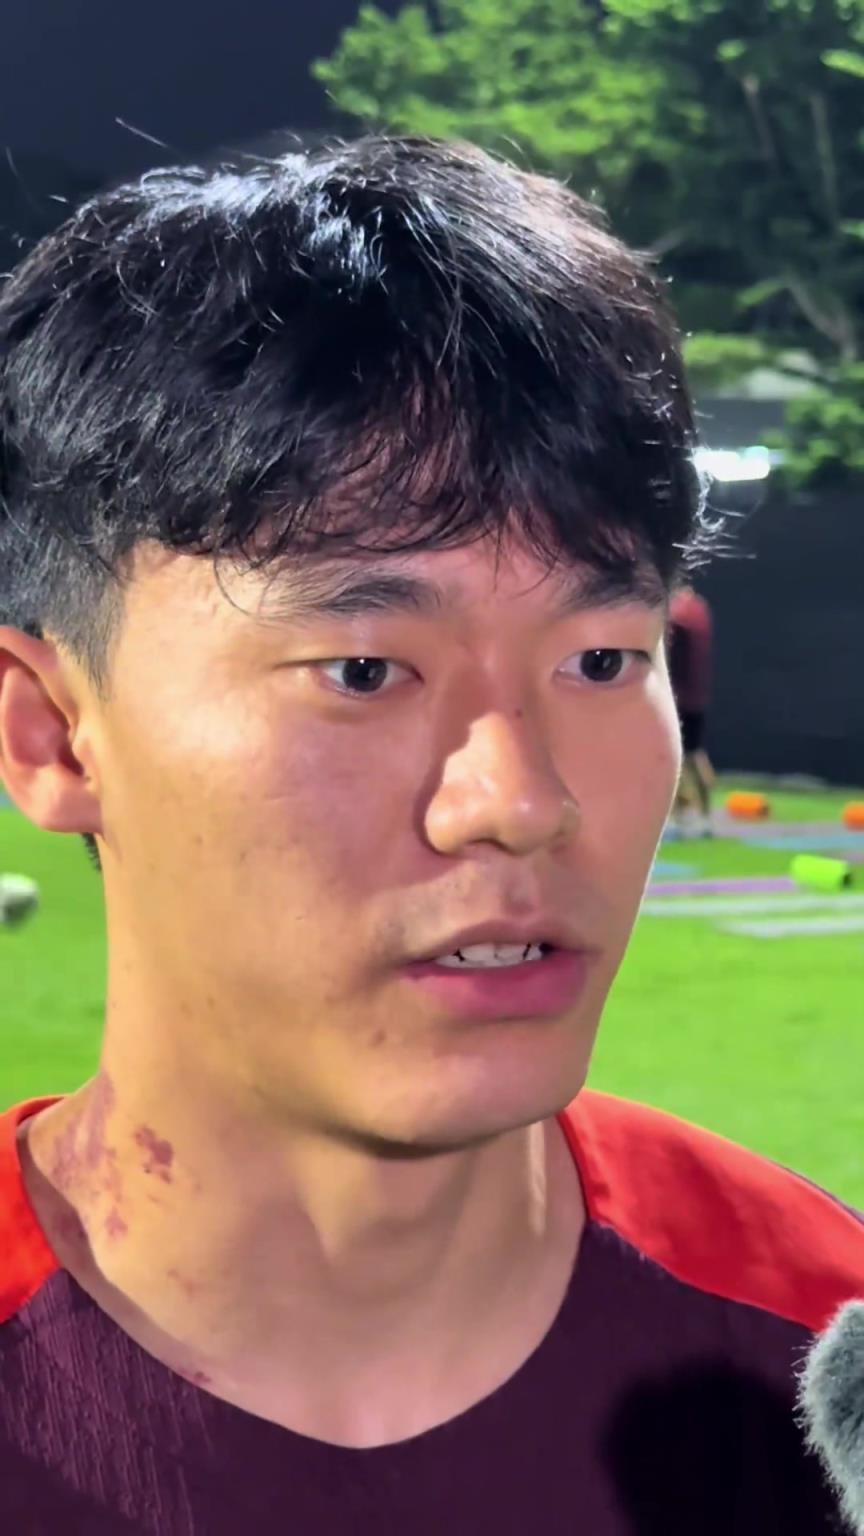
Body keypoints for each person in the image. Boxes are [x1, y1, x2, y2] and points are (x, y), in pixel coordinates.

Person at [0, 135, 860, 1536]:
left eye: (599, 659)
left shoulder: (813, 1334)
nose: (517, 799)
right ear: (51, 734)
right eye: (363, 670)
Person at [667, 581, 716, 836]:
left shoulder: (678, 612)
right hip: (695, 695)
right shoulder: (700, 608)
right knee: (695, 756)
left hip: (677, 697)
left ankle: (681, 816)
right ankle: (704, 816)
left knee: (673, 758)